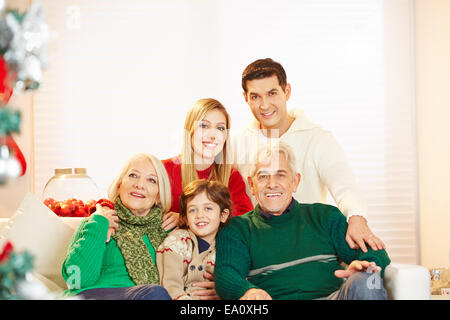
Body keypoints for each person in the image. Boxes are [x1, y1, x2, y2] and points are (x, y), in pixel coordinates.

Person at [232, 57, 384, 252]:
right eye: (255, 97)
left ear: (286, 92)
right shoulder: (236, 142)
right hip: (257, 251)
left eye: (272, 93)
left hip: (308, 246)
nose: (264, 105)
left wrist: (356, 218)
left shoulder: (318, 138)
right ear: (246, 98)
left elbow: (345, 187)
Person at [215, 142, 391, 300]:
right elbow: (226, 274)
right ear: (251, 185)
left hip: (332, 297)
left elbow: (377, 253)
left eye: (280, 175)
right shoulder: (237, 229)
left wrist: (365, 266)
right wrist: (248, 291)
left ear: (295, 182)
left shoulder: (325, 216)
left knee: (367, 279)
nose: (271, 184)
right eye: (262, 176)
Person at [61, 153, 172, 300]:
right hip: (91, 295)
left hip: (146, 296)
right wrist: (99, 224)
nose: (140, 185)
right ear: (119, 185)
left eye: (152, 180)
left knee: (156, 294)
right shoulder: (96, 222)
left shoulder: (168, 230)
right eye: (133, 175)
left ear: (159, 196)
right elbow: (76, 281)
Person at [162, 98, 253, 221]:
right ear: (190, 130)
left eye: (220, 128)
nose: (212, 136)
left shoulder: (232, 177)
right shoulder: (163, 171)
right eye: (204, 126)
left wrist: (184, 220)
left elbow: (243, 225)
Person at [156, 179, 231, 300]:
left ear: (223, 215)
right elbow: (171, 284)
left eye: (208, 208)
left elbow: (236, 280)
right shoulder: (176, 242)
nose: (199, 215)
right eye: (192, 210)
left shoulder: (228, 247)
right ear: (185, 218)